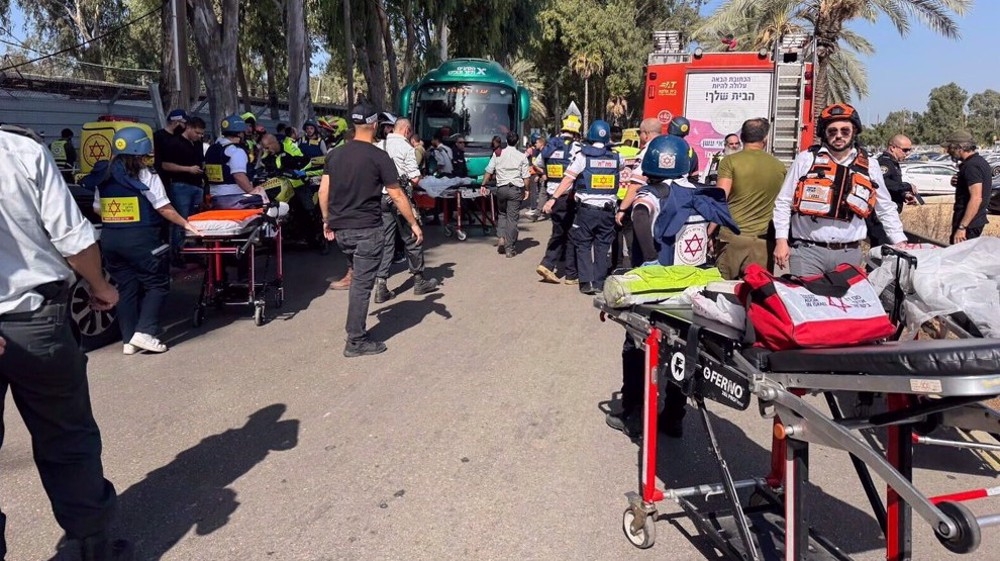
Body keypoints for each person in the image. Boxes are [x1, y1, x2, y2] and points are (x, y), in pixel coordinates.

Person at [0, 124, 133, 560]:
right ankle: (94, 545)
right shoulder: (18, 150)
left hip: (31, 321)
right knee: (66, 437)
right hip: (35, 321)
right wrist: (100, 285)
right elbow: (74, 239)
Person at [605, 135, 700, 439]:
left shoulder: (652, 193)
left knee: (636, 347)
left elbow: (641, 215)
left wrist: (649, 259)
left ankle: (634, 414)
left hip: (655, 287)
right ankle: (674, 417)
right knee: (681, 351)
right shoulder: (697, 191)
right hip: (689, 285)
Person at [319, 103, 424, 357]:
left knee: (358, 278)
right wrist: (413, 223)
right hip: (367, 230)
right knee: (361, 286)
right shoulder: (378, 156)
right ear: (375, 125)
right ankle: (355, 340)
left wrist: (326, 220)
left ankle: (356, 332)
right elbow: (397, 195)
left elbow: (323, 191)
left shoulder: (335, 154)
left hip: (342, 231)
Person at [90, 126, 201, 353]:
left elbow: (97, 208)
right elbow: (164, 208)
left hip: (111, 239)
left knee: (126, 287)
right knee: (157, 284)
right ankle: (145, 332)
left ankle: (129, 340)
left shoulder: (104, 175)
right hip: (142, 240)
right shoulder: (145, 174)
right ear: (141, 151)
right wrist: (186, 224)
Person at [773, 104, 906, 277]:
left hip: (849, 253)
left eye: (845, 131)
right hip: (807, 252)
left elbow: (885, 207)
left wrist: (900, 241)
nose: (838, 136)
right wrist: (781, 240)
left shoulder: (870, 165)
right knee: (807, 302)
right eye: (832, 131)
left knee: (844, 304)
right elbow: (783, 202)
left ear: (854, 132)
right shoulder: (806, 160)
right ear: (824, 133)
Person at [543, 120, 623, 294]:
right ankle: (600, 282)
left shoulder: (582, 156)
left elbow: (568, 179)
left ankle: (586, 283)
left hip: (586, 210)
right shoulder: (617, 156)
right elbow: (623, 170)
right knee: (602, 247)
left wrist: (553, 198)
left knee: (583, 245)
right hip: (608, 210)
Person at [374, 118, 441, 302]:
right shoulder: (406, 149)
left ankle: (381, 285)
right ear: (406, 130)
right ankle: (419, 281)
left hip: (381, 198)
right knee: (413, 237)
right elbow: (415, 179)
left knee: (387, 242)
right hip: (400, 199)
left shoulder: (380, 145)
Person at [712, 118, 786, 279]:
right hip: (763, 242)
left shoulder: (730, 161)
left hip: (733, 239)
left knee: (723, 292)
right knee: (758, 292)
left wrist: (708, 231)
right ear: (765, 140)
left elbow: (720, 198)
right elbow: (783, 205)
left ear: (742, 137)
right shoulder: (779, 166)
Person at [535, 117, 583, 284]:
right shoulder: (576, 147)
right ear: (576, 132)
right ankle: (548, 264)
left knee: (563, 230)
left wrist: (546, 174)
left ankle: (569, 272)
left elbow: (537, 164)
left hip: (551, 193)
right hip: (567, 195)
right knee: (565, 232)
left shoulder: (549, 145)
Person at [159, 116, 207, 265]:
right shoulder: (174, 143)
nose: (199, 136)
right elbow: (165, 165)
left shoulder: (197, 144)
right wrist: (187, 169)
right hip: (180, 185)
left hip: (197, 185)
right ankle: (177, 253)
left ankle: (190, 250)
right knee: (181, 220)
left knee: (194, 220)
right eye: (197, 133)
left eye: (201, 134)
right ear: (189, 128)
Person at [482, 130, 531, 258]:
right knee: (512, 218)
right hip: (515, 190)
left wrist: (483, 184)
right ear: (518, 141)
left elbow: (488, 170)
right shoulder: (522, 157)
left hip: (501, 189)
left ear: (506, 141)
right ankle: (510, 248)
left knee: (502, 214)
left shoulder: (498, 154)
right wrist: (527, 189)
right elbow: (526, 177)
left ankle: (501, 238)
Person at [868, 134, 919, 246]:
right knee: (883, 253)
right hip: (881, 217)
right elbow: (882, 183)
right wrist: (907, 186)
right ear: (892, 148)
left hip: (888, 215)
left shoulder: (893, 163)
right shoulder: (884, 163)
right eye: (905, 150)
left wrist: (904, 195)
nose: (907, 154)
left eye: (909, 150)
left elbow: (891, 188)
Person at [943, 130, 992, 244]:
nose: (948, 151)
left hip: (968, 225)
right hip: (972, 222)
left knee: (958, 260)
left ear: (959, 148)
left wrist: (962, 227)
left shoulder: (971, 166)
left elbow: (976, 198)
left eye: (950, 148)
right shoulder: (978, 162)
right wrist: (959, 182)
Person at [204, 114, 257, 210]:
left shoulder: (213, 148)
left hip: (215, 198)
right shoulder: (235, 150)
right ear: (240, 133)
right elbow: (239, 176)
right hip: (234, 199)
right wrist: (254, 192)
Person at [667, 116, 700, 182]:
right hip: (681, 189)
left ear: (670, 127)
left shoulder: (660, 147)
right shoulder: (691, 152)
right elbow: (694, 178)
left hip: (660, 188)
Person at [153, 109, 186, 174]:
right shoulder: (158, 136)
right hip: (161, 173)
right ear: (176, 122)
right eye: (183, 123)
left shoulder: (179, 137)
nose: (185, 126)